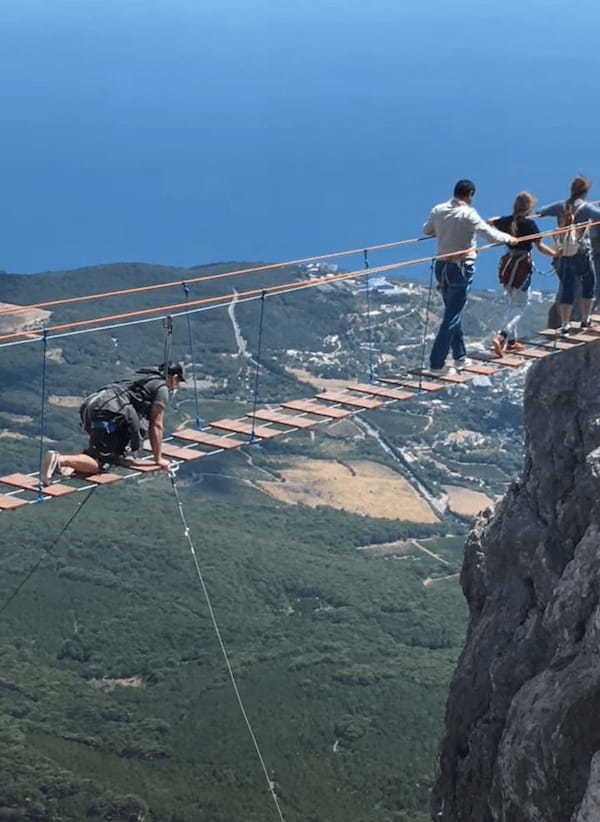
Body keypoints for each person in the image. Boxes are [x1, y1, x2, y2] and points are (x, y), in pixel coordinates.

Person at [423, 179, 517, 374]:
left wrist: (444, 230)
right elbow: (489, 235)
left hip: (441, 267)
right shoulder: (468, 213)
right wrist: (509, 239)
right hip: (460, 268)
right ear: (470, 195)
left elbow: (427, 230)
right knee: (452, 316)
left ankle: (459, 358)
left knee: (453, 311)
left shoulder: (438, 209)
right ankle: (436, 364)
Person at [41, 362, 185, 485]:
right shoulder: (162, 388)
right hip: (111, 410)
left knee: (103, 452)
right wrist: (158, 459)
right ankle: (59, 460)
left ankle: (72, 464)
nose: (176, 387)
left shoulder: (143, 375)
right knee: (101, 465)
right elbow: (156, 425)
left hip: (94, 403)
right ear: (175, 377)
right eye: (178, 382)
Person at [490, 192, 559, 355]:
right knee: (520, 305)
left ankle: (512, 342)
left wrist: (504, 220)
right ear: (529, 208)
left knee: (512, 303)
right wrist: (556, 254)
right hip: (521, 267)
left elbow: (489, 222)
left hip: (507, 266)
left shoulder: (506, 222)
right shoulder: (529, 225)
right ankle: (502, 335)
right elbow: (541, 247)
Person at [538, 176, 600, 334]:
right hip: (582, 252)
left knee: (567, 288)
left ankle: (565, 323)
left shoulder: (560, 206)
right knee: (589, 284)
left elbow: (541, 212)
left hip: (564, 254)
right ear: (585, 192)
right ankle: (585, 319)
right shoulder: (586, 208)